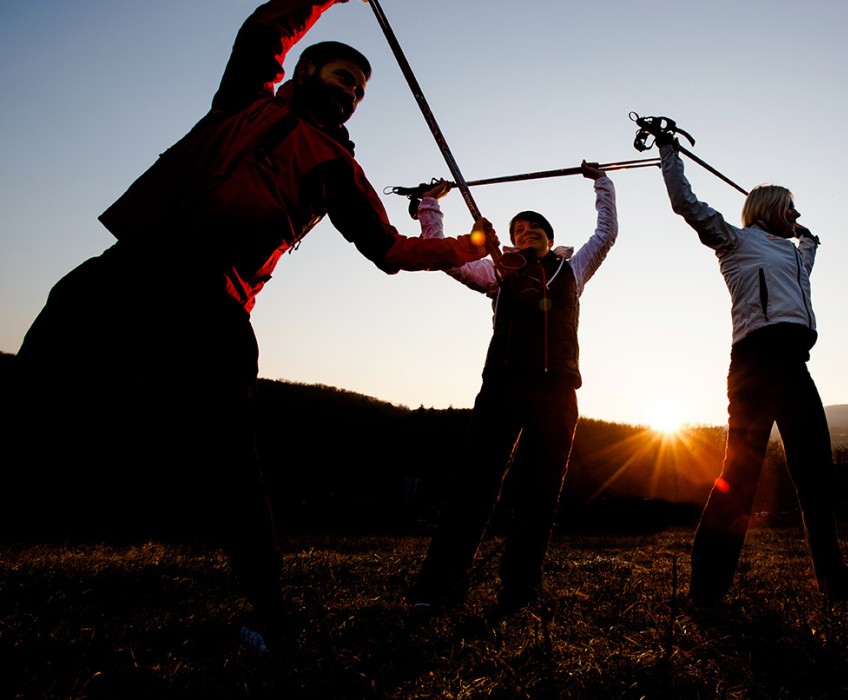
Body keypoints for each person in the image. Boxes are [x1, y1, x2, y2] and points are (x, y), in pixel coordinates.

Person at [8, 0, 495, 649]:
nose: (350, 91)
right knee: (41, 373)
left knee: (230, 460)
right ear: (307, 70)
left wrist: (466, 246)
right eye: (341, 76)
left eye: (359, 88)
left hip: (215, 297)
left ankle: (270, 614)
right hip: (141, 260)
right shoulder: (246, 99)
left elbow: (391, 250)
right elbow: (265, 29)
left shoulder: (338, 167)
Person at [653, 134, 848, 606]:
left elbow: (808, 248)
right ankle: (706, 592)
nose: (797, 214)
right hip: (755, 363)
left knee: (815, 473)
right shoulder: (735, 241)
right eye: (790, 207)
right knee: (740, 475)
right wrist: (669, 152)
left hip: (795, 364)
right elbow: (685, 204)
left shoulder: (797, 252)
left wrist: (808, 237)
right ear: (768, 207)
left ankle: (833, 579)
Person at [408, 161, 617, 616]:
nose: (526, 232)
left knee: (540, 495)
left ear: (548, 235)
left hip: (557, 393)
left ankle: (520, 593)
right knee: (474, 488)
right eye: (518, 229)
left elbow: (605, 234)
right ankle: (438, 587)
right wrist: (430, 205)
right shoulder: (497, 273)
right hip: (502, 388)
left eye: (534, 228)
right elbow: (442, 255)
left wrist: (601, 182)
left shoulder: (572, 271)